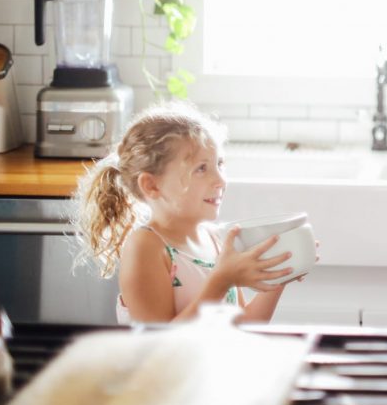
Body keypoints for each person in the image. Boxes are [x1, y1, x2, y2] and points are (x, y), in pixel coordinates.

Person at [74, 102, 298, 323]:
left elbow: (243, 324)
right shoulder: (145, 246)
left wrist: (280, 277)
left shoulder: (215, 240)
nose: (220, 180)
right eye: (201, 168)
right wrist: (221, 282)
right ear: (152, 186)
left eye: (219, 164)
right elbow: (159, 344)